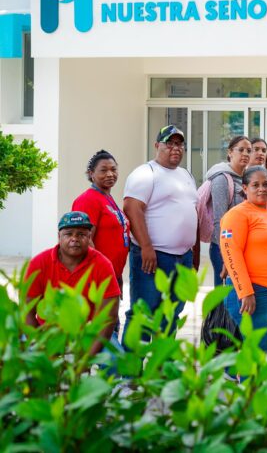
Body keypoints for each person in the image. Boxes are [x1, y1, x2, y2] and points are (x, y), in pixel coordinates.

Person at [122, 125, 197, 345]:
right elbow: (132, 208)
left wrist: (194, 254)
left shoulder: (186, 175)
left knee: (171, 314)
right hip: (153, 258)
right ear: (157, 146)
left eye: (179, 144)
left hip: (182, 257)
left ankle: (161, 371)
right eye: (169, 143)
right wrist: (146, 247)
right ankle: (131, 374)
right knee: (143, 312)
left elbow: (193, 212)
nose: (175, 148)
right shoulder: (145, 173)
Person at [24, 212, 121, 356]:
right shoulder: (39, 263)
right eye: (68, 234)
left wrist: (86, 358)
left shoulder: (103, 264)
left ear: (89, 237)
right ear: (59, 237)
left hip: (89, 332)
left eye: (81, 234)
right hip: (48, 332)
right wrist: (41, 346)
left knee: (114, 359)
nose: (74, 238)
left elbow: (108, 318)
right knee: (22, 356)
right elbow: (26, 311)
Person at [220, 166, 267, 352]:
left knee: (266, 346)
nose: (262, 189)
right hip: (255, 291)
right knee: (259, 350)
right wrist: (245, 292)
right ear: (245, 188)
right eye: (255, 185)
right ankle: (247, 382)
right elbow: (231, 253)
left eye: (266, 184)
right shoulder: (237, 214)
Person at [72, 150, 129, 292]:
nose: (110, 174)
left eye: (113, 169)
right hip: (97, 278)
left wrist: (118, 276)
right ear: (91, 174)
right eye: (103, 170)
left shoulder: (107, 198)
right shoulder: (88, 200)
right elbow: (83, 241)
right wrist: (102, 274)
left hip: (112, 275)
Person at [205, 135, 251, 286]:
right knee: (224, 297)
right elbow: (220, 219)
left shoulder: (247, 178)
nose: (245, 154)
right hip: (224, 248)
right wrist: (225, 253)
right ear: (230, 152)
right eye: (241, 150)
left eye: (249, 151)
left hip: (243, 246)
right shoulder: (221, 179)